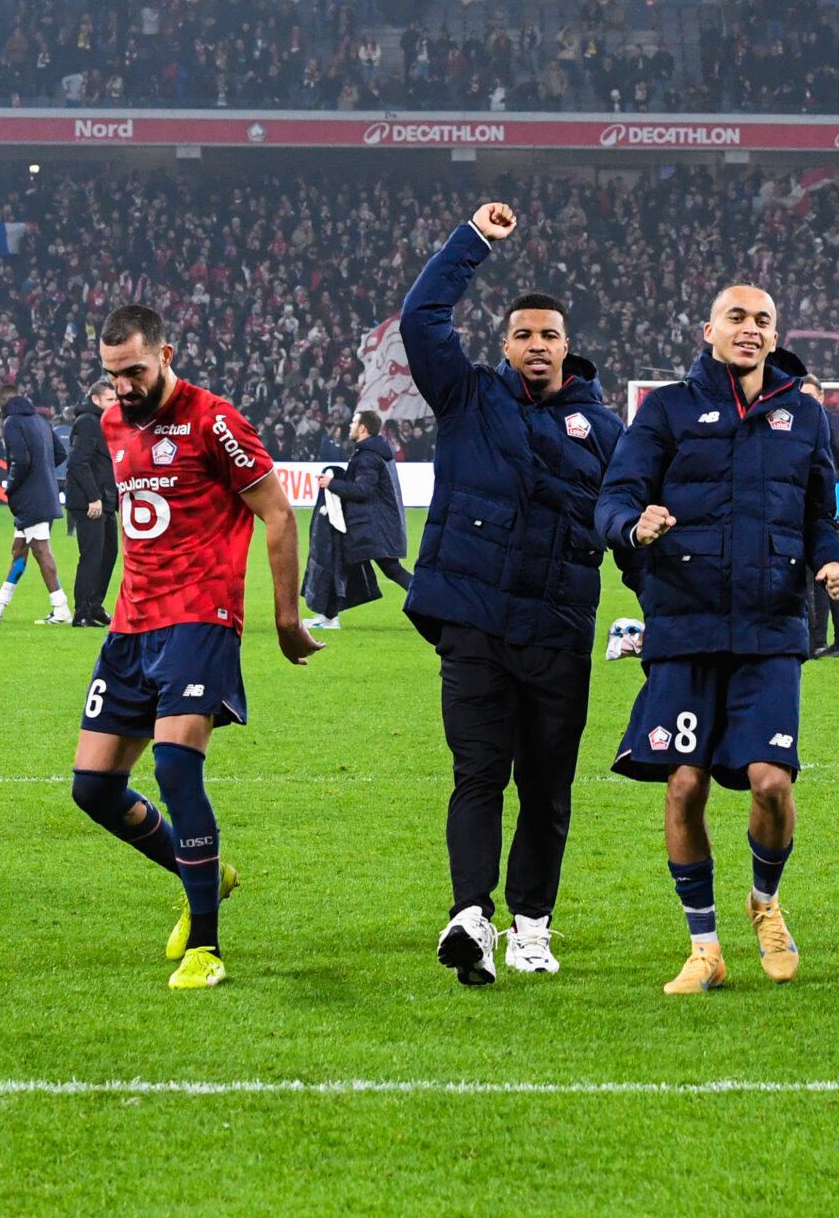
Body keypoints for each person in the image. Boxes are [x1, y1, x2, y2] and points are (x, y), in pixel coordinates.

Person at [598, 284, 839, 995]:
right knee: (684, 785)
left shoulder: (804, 414)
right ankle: (704, 947)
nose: (749, 329)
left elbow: (818, 516)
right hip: (685, 621)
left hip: (771, 625)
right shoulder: (667, 409)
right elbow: (614, 499)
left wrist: (833, 558)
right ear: (710, 328)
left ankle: (765, 904)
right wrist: (632, 526)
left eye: (762, 320)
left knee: (771, 781)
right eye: (736, 318)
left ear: (775, 336)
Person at [401, 202, 625, 985]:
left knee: (548, 790)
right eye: (523, 334)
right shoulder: (467, 398)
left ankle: (533, 925)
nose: (537, 345)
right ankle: (471, 916)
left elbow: (627, 524)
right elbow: (420, 314)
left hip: (559, 632)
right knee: (478, 774)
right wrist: (472, 242)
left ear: (568, 348)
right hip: (474, 626)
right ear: (503, 344)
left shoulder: (604, 431)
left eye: (549, 335)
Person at [67, 304, 319, 991]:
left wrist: (286, 617)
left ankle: (205, 946)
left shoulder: (214, 420)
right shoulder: (113, 423)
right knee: (92, 788)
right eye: (113, 374)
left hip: (202, 619)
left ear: (167, 355)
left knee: (178, 771)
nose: (124, 386)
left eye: (136, 371)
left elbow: (276, 512)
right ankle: (201, 868)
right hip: (131, 626)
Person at [301, 409, 410, 629]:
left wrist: (331, 484)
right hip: (371, 526)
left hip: (371, 528)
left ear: (362, 428)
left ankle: (431, 601)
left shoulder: (368, 456)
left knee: (390, 569)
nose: (350, 426)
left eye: (353, 422)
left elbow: (362, 490)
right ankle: (330, 617)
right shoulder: (372, 452)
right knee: (344, 564)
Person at [0, 389, 71, 624]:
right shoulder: (40, 420)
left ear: (5, 401)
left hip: (30, 497)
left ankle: (61, 608)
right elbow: (59, 453)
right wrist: (42, 471)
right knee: (19, 549)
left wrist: (12, 485)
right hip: (45, 493)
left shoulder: (12, 423)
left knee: (40, 549)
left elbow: (21, 459)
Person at [800, 378, 839, 659]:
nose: (808, 402)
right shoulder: (796, 423)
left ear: (822, 397)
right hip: (804, 504)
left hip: (826, 506)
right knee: (823, 571)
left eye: (812, 396)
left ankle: (823, 642)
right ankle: (836, 642)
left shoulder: (834, 426)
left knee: (823, 570)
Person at [65, 377, 117, 627]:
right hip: (90, 502)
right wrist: (93, 497)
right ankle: (81, 612)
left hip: (106, 499)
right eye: (110, 400)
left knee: (109, 554)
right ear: (95, 400)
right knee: (92, 556)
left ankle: (95, 606)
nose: (115, 403)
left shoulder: (105, 422)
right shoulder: (88, 422)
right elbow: (78, 462)